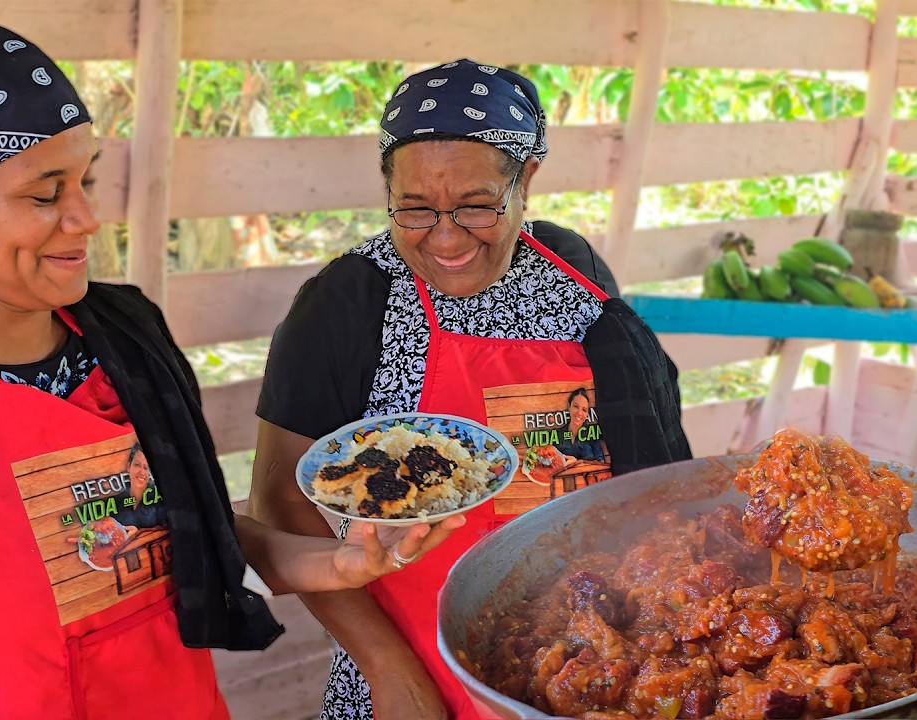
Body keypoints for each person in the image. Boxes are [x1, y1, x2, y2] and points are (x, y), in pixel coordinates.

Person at [0, 20, 461, 720]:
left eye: (86, 180)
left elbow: (185, 523)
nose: (85, 217)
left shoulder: (125, 335)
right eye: (45, 195)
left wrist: (337, 564)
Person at [249, 60, 693, 719]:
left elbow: (640, 467)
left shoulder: (578, 281)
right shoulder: (348, 301)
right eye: (416, 208)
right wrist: (390, 673)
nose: (446, 237)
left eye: (478, 205)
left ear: (527, 180)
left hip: (584, 671)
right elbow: (281, 501)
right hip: (412, 676)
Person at [118, 443, 165, 530]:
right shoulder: (117, 501)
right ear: (129, 467)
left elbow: (166, 530)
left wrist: (137, 534)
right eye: (137, 465)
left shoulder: (157, 495)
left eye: (146, 468)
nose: (142, 472)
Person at [552, 387, 606, 463]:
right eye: (576, 406)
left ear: (587, 413)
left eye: (584, 410)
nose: (580, 413)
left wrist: (577, 463)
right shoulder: (557, 435)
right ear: (569, 406)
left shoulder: (591, 435)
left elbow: (601, 463)